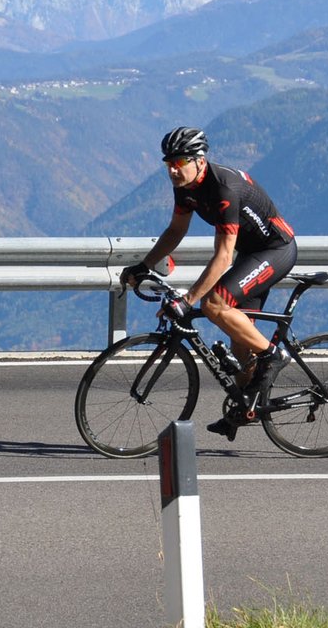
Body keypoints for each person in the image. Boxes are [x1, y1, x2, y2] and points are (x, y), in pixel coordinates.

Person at [119, 126, 298, 435]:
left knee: (213, 304)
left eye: (180, 162)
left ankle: (274, 355)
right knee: (239, 339)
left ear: (200, 160)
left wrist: (187, 300)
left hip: (275, 249)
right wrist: (144, 265)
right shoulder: (185, 186)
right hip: (250, 253)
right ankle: (246, 407)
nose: (173, 170)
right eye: (169, 163)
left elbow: (223, 257)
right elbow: (175, 231)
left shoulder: (223, 189)